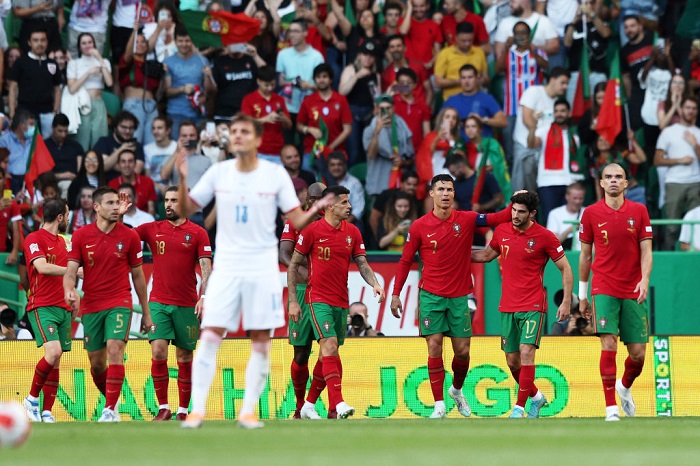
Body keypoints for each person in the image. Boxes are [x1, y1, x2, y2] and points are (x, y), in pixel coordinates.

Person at [177, 113, 333, 429]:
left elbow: (296, 220)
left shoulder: (274, 175)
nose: (237, 136)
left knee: (261, 337)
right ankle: (197, 411)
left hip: (262, 265)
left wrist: (316, 208)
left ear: (258, 139)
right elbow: (183, 210)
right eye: (233, 131)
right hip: (228, 265)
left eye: (244, 131)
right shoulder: (219, 173)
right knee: (210, 334)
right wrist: (182, 179)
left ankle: (248, 411)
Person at [390, 174, 522, 418]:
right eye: (440, 189)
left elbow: (498, 217)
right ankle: (439, 404)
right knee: (434, 345)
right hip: (430, 295)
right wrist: (395, 294)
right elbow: (405, 260)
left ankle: (456, 390)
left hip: (459, 296)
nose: (446, 193)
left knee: (462, 352)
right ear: (431, 194)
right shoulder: (419, 226)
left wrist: (516, 200)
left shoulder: (467, 219)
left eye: (449, 189)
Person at [472, 191, 573, 418]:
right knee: (512, 359)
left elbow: (566, 268)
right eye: (514, 210)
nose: (515, 215)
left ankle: (519, 408)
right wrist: (454, 253)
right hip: (508, 305)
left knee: (527, 352)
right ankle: (537, 397)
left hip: (533, 305)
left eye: (521, 212)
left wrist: (566, 301)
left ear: (532, 213)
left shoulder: (545, 236)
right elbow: (485, 256)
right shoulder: (503, 230)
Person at [288, 185, 385, 419]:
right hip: (316, 298)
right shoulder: (311, 231)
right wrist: (293, 300)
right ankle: (337, 404)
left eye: (349, 202)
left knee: (327, 355)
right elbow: (292, 265)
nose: (349, 206)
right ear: (329, 205)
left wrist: (375, 283)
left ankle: (309, 405)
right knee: (328, 344)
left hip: (341, 300)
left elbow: (362, 263)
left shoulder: (353, 232)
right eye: (344, 202)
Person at [63, 186, 152, 422]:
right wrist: (69, 290)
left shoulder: (130, 236)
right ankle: (112, 399)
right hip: (91, 305)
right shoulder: (81, 235)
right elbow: (71, 271)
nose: (115, 207)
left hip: (119, 301)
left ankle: (109, 409)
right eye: (110, 203)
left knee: (115, 349)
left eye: (117, 203)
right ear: (96, 207)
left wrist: (145, 312)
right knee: (96, 363)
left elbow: (139, 276)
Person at [578, 163, 653, 422]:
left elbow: (646, 251)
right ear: (600, 183)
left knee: (638, 355)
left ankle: (624, 385)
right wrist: (583, 293)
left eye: (618, 177)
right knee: (608, 342)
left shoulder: (639, 211)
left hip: (633, 288)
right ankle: (611, 408)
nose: (613, 181)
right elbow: (585, 256)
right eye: (608, 177)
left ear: (625, 183)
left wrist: (644, 280)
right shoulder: (590, 213)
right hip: (604, 286)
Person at [133, 186, 212, 421]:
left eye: (174, 201)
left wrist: (204, 297)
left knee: (185, 357)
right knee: (158, 351)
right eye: (166, 200)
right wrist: (121, 216)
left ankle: (183, 410)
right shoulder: (152, 229)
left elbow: (206, 267)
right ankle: (164, 407)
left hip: (187, 303)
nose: (168, 204)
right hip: (158, 302)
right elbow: (122, 237)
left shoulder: (198, 233)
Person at [279, 181, 328, 419]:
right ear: (307, 199)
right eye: (313, 199)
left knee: (328, 350)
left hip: (327, 291)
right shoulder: (294, 222)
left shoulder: (335, 223)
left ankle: (314, 402)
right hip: (300, 290)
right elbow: (283, 253)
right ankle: (300, 406)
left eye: (322, 198)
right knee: (301, 352)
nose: (316, 203)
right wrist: (301, 271)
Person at [22, 199, 73, 424]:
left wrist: (74, 292)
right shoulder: (34, 238)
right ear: (60, 217)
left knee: (57, 358)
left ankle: (47, 412)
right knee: (52, 352)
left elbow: (67, 277)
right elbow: (41, 267)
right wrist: (72, 271)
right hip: (41, 305)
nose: (69, 219)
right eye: (68, 215)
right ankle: (31, 399)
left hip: (63, 307)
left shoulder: (63, 243)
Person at [495, 21, 548, 168]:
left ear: (529, 35)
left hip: (533, 108)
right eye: (517, 33)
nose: (520, 36)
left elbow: (546, 67)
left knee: (534, 140)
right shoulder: (508, 53)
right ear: (513, 35)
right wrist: (505, 49)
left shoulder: (537, 51)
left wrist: (532, 51)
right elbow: (498, 69)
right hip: (511, 107)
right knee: (509, 142)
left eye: (523, 33)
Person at [512, 67, 570, 193]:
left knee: (534, 192)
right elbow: (526, 119)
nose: (565, 87)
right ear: (553, 80)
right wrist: (536, 127)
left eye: (567, 84)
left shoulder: (555, 103)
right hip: (525, 147)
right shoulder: (534, 91)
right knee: (520, 191)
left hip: (542, 151)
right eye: (563, 82)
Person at [654, 96, 700, 249]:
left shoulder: (698, 133)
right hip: (674, 183)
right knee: (672, 227)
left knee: (695, 227)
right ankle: (669, 261)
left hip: (696, 183)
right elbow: (657, 160)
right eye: (688, 107)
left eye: (694, 108)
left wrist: (695, 145)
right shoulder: (668, 132)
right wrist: (679, 160)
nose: (691, 111)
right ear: (681, 110)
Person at [528, 98, 585, 223]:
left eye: (562, 111)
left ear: (569, 113)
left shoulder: (574, 135)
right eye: (556, 111)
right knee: (550, 221)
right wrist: (533, 126)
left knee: (569, 221)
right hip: (548, 183)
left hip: (569, 183)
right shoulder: (544, 130)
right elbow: (531, 144)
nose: (559, 114)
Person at [276, 18, 325, 144]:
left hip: (309, 105)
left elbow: (323, 84)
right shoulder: (283, 54)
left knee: (307, 144)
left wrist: (311, 86)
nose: (292, 35)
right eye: (290, 31)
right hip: (289, 106)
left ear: (305, 33)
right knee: (288, 143)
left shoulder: (316, 56)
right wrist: (291, 83)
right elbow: (280, 82)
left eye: (296, 31)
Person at [296, 64, 352, 173]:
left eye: (325, 77)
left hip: (336, 152)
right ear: (314, 80)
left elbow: (347, 129)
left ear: (330, 79)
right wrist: (309, 129)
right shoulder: (308, 101)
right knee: (310, 187)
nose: (321, 80)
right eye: (318, 77)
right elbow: (299, 125)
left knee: (335, 188)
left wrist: (329, 148)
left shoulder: (341, 100)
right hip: (312, 152)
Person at [7, 28, 62, 138]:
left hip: (47, 113)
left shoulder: (53, 64)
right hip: (25, 112)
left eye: (43, 40)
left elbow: (57, 88)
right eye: (35, 40)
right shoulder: (21, 62)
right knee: (26, 146)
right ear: (29, 42)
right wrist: (12, 114)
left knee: (46, 147)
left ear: (47, 42)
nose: (39, 43)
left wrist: (55, 112)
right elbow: (13, 88)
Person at [163, 25, 216, 134]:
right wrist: (182, 89)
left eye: (187, 41)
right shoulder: (168, 61)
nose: (184, 44)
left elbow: (210, 91)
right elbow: (166, 91)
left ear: (192, 40)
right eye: (180, 41)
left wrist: (208, 78)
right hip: (176, 114)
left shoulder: (202, 60)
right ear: (175, 41)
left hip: (198, 115)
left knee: (200, 148)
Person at [66, 32, 112, 151]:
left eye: (90, 42)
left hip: (98, 103)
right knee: (81, 143)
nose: (87, 45)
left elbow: (109, 82)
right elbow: (72, 89)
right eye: (84, 43)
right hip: (81, 105)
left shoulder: (104, 62)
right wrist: (88, 73)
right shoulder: (74, 63)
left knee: (99, 142)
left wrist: (99, 58)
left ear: (94, 44)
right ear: (79, 46)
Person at [338, 41, 381, 167]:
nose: (368, 58)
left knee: (368, 148)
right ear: (359, 55)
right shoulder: (350, 69)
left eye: (371, 55)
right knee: (354, 150)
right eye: (365, 54)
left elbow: (377, 97)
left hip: (369, 114)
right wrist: (357, 76)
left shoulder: (375, 74)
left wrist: (376, 108)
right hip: (352, 114)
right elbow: (342, 91)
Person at [119, 20, 161, 146]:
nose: (140, 44)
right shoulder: (128, 62)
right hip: (134, 103)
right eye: (137, 41)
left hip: (151, 106)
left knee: (152, 143)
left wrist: (163, 74)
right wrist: (134, 31)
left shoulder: (152, 65)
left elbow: (158, 92)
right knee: (133, 142)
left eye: (143, 42)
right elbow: (128, 54)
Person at [363, 94, 415, 197]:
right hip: (379, 186)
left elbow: (412, 159)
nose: (385, 111)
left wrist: (403, 162)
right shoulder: (370, 130)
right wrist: (377, 131)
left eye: (388, 108)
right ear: (377, 110)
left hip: (399, 184)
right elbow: (371, 155)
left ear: (393, 108)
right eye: (382, 108)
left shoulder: (402, 128)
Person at [240, 65, 292, 163]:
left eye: (272, 85)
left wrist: (283, 118)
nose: (270, 88)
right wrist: (265, 119)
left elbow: (289, 125)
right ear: (258, 81)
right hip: (257, 150)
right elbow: (245, 124)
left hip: (278, 151)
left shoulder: (279, 99)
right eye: (266, 85)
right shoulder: (249, 99)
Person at [442, 65, 507, 140]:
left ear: (477, 78)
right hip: (458, 147)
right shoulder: (451, 100)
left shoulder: (487, 98)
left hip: (482, 147)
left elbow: (504, 122)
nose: (467, 81)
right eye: (463, 78)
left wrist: (483, 120)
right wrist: (452, 122)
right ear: (460, 80)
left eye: (470, 77)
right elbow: (439, 123)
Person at [211, 43, 265, 122]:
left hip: (249, 110)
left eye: (238, 42)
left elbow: (267, 75)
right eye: (232, 42)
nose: (235, 46)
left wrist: (255, 55)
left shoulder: (251, 59)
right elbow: (212, 88)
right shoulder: (219, 61)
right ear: (227, 44)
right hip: (225, 112)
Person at [435, 23, 488, 101]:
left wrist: (482, 80)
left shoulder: (479, 52)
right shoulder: (445, 54)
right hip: (452, 101)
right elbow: (438, 82)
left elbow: (486, 79)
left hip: (475, 99)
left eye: (470, 40)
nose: (467, 44)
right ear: (455, 38)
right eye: (463, 41)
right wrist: (461, 81)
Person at [620, 15, 654, 131]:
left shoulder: (652, 39)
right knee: (636, 122)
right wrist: (630, 96)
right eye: (626, 27)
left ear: (640, 26)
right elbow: (626, 76)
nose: (629, 30)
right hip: (638, 90)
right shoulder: (624, 51)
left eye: (632, 26)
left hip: (656, 88)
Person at [591, 131, 646, 204]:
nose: (603, 142)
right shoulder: (596, 162)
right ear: (596, 143)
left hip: (632, 192)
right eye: (600, 140)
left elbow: (642, 159)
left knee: (636, 215)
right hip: (614, 198)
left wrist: (632, 140)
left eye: (606, 139)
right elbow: (597, 184)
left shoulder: (621, 153)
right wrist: (599, 201)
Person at [93, 110, 146, 181]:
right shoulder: (104, 142)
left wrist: (111, 163)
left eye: (131, 128)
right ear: (115, 127)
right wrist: (121, 149)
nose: (127, 131)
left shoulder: (137, 145)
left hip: (130, 187)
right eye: (124, 127)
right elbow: (102, 166)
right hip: (107, 186)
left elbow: (136, 171)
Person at [381, 35, 432, 107]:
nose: (396, 49)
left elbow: (429, 91)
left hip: (419, 110)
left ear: (405, 48)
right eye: (392, 47)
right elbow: (387, 96)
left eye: (398, 46)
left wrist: (424, 110)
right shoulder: (386, 74)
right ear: (389, 50)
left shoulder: (418, 66)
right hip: (399, 114)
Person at [369, 170, 420, 243]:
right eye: (409, 184)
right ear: (401, 183)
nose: (411, 187)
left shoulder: (417, 201)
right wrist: (379, 240)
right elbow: (373, 219)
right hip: (386, 238)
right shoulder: (386, 195)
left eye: (414, 185)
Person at [107, 150, 158, 216]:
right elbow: (110, 210)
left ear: (135, 163)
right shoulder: (112, 184)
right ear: (118, 164)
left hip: (142, 222)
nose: (127, 165)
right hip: (119, 221)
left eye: (130, 161)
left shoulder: (147, 182)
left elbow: (151, 210)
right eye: (123, 161)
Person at [44, 113, 83, 199]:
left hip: (74, 182)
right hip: (52, 183)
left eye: (65, 131)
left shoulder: (75, 146)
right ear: (52, 128)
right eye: (60, 131)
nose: (63, 135)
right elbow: (42, 174)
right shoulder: (44, 146)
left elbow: (80, 170)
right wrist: (63, 175)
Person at [326, 151, 366, 230]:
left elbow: (359, 209)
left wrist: (342, 225)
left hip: (349, 220)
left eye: (339, 164)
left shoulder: (354, 182)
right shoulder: (322, 181)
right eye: (333, 165)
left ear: (345, 165)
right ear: (328, 167)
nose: (336, 168)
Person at [0, 111, 37, 193]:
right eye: (31, 124)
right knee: (9, 203)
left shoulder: (34, 141)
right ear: (21, 125)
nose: (33, 128)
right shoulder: (4, 141)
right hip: (11, 180)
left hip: (31, 180)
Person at [144, 116, 178, 198]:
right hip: (155, 186)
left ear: (168, 131)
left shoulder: (176, 147)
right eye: (153, 128)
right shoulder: (147, 149)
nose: (156, 131)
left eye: (159, 128)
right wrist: (160, 187)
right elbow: (147, 177)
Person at [546, 182, 586, 250]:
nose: (577, 201)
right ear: (567, 196)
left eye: (580, 198)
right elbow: (552, 244)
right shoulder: (555, 214)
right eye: (575, 198)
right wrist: (570, 230)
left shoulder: (588, 212)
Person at [0, 168, 22, 265]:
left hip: (2, 251)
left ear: (4, 180)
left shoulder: (11, 203)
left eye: (0, 178)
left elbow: (16, 230)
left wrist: (15, 251)